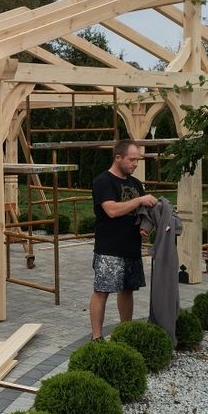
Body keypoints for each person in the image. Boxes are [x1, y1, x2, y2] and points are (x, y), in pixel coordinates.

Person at [89, 139, 158, 340]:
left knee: (128, 290)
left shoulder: (136, 183)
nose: (135, 164)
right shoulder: (103, 181)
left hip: (131, 248)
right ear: (118, 157)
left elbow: (142, 213)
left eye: (137, 160)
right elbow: (111, 210)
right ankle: (97, 337)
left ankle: (124, 332)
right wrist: (138, 200)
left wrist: (146, 227)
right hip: (109, 249)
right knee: (102, 291)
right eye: (132, 159)